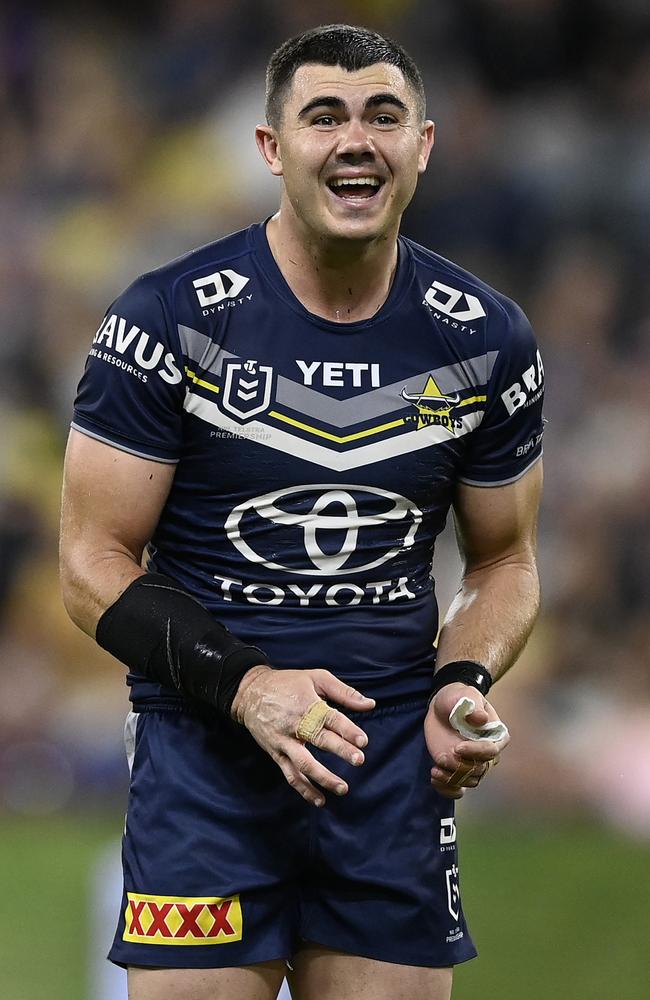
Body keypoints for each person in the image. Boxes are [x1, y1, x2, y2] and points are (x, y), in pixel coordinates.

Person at [59, 23, 544, 1000]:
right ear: (272, 149)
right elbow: (88, 562)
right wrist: (245, 687)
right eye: (323, 116)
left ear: (423, 145)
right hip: (205, 762)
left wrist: (460, 682)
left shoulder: (486, 338)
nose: (354, 139)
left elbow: (503, 561)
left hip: (388, 772)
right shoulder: (169, 319)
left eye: (382, 116)